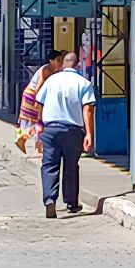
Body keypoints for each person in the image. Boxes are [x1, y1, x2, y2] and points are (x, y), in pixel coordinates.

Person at [34, 49, 97, 219]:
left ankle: (49, 200)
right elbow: (88, 109)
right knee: (71, 166)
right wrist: (89, 133)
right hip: (73, 130)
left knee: (49, 165)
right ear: (78, 64)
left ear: (63, 64)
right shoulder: (83, 83)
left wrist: (38, 124)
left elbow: (38, 102)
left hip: (51, 130)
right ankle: (71, 203)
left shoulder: (51, 80)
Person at [16, 49, 64, 154]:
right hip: (33, 96)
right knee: (37, 121)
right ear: (52, 60)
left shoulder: (53, 70)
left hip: (36, 96)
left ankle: (37, 145)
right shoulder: (46, 69)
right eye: (58, 60)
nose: (61, 62)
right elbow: (39, 87)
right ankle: (28, 141)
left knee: (38, 122)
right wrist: (39, 102)